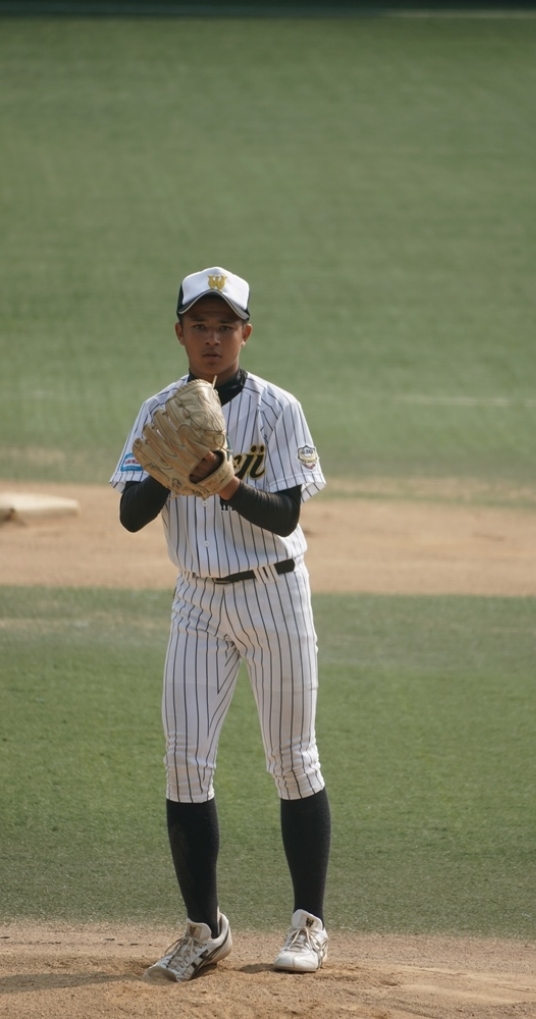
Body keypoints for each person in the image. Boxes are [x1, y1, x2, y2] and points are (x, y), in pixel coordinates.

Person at [110, 266, 331, 982]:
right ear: (179, 332)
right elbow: (131, 517)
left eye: (225, 326)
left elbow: (287, 514)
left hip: (274, 594)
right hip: (198, 603)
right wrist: (166, 465)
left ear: (246, 333)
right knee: (184, 762)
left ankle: (308, 923)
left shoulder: (278, 408)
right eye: (200, 325)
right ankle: (204, 930)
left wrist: (225, 480)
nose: (213, 338)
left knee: (292, 759)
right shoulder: (157, 412)